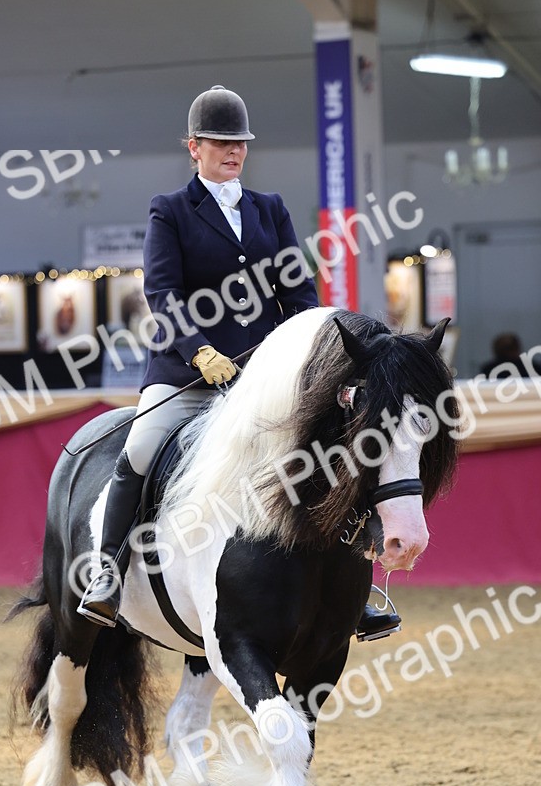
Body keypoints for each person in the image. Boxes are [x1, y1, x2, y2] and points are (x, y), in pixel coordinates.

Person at [77, 84, 400, 642]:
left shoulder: (268, 210)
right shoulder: (171, 210)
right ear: (193, 147)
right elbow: (163, 291)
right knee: (140, 448)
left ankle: (355, 586)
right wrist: (200, 350)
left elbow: (297, 294)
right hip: (189, 375)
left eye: (241, 143)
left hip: (263, 381)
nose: (234, 151)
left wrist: (307, 357)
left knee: (329, 452)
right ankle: (107, 571)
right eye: (222, 142)